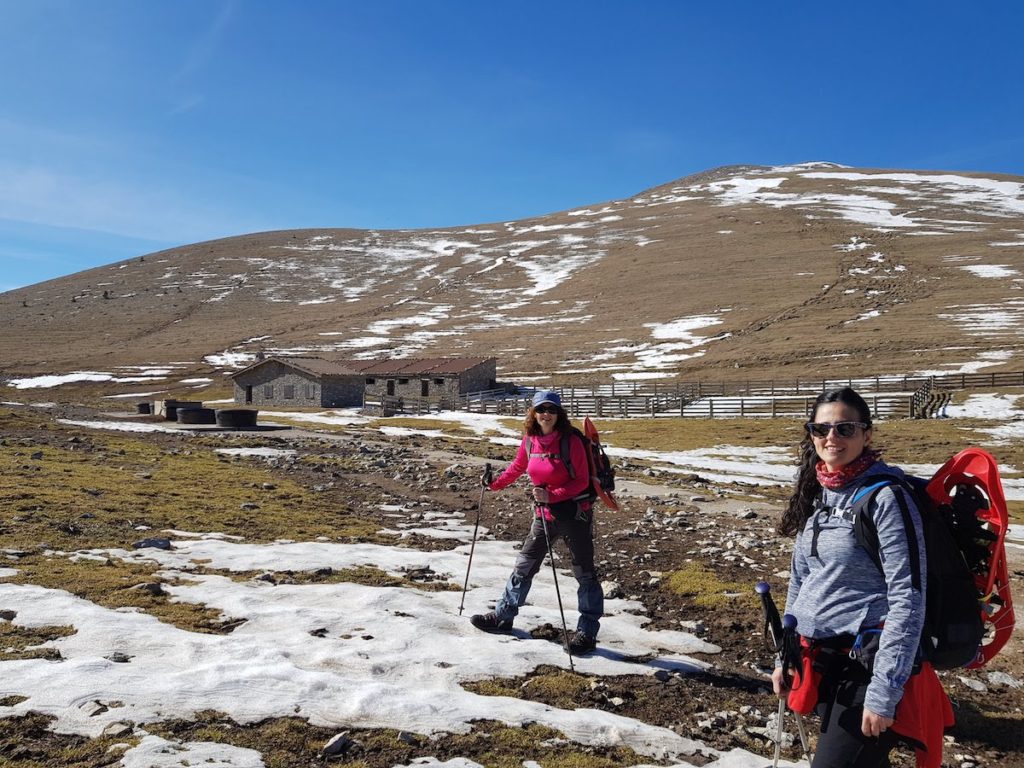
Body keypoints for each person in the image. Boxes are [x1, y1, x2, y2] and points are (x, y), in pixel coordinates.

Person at [773, 387, 951, 768]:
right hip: (821, 658)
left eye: (845, 429)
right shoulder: (820, 492)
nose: (831, 438)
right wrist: (787, 654)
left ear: (867, 434)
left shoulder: (886, 498)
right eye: (821, 430)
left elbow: (908, 597)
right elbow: (802, 577)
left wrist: (884, 690)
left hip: (868, 666)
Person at [469, 390, 603, 655]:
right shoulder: (530, 441)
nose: (546, 414)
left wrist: (551, 495)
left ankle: (587, 633)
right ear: (533, 412)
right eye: (541, 409)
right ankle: (503, 617)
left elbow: (582, 481)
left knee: (584, 574)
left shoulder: (571, 442)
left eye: (551, 410)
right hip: (544, 517)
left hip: (575, 515)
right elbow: (517, 468)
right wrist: (494, 484)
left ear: (559, 413)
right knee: (524, 566)